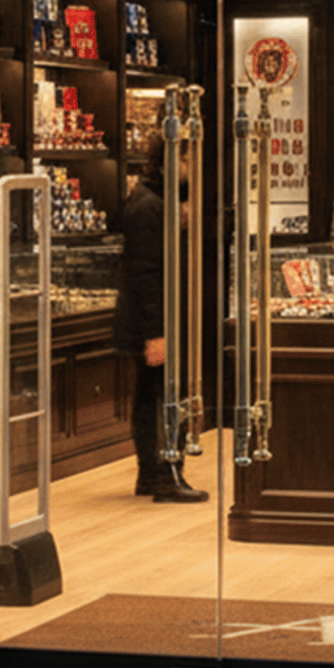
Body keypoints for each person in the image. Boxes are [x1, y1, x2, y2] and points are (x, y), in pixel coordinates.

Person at [113, 133, 206, 503]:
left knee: (155, 393)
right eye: (189, 161)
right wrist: (156, 333)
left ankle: (156, 472)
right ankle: (164, 473)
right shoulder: (148, 207)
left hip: (156, 321)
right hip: (153, 325)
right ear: (173, 162)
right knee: (161, 394)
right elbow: (145, 274)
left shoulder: (155, 201)